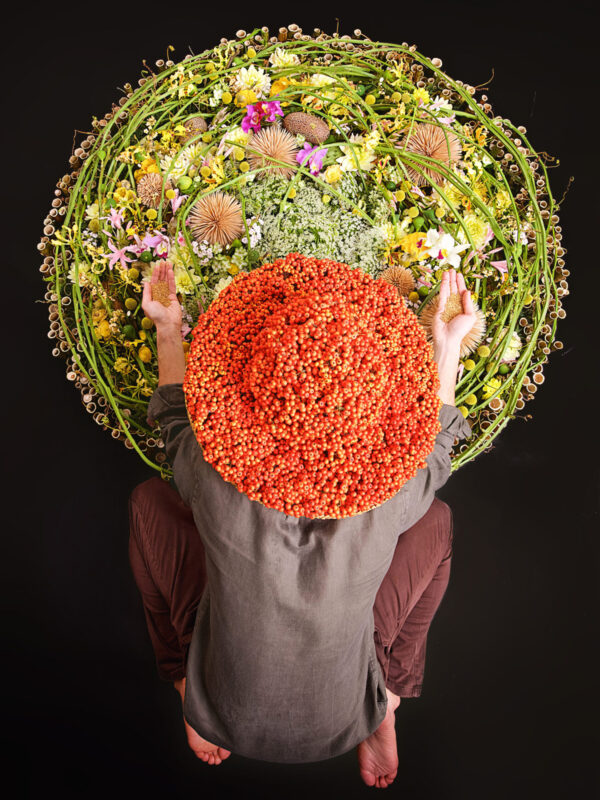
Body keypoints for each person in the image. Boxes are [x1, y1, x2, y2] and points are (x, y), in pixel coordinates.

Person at [128, 261, 475, 789]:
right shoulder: (391, 489)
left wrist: (168, 325)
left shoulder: (216, 471)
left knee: (148, 501)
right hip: (348, 708)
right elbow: (438, 444)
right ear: (366, 409)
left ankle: (184, 683)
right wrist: (446, 345)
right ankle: (390, 699)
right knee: (439, 522)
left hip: (220, 700)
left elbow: (177, 419)